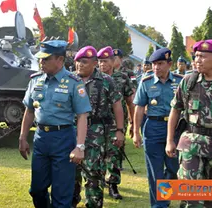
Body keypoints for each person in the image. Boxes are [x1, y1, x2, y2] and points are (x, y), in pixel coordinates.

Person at [19, 40, 92, 208]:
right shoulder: (35, 80)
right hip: (41, 139)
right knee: (36, 189)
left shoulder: (74, 82)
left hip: (63, 139)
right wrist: (23, 137)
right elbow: (29, 111)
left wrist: (79, 146)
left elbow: (82, 116)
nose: (41, 62)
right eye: (40, 59)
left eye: (46, 59)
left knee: (61, 194)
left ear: (59, 60)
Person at [72, 46, 125, 208]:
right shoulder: (70, 79)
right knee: (70, 171)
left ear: (95, 63)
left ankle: (94, 203)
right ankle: (71, 200)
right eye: (78, 61)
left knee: (94, 172)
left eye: (85, 62)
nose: (80, 65)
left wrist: (120, 130)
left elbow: (117, 105)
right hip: (71, 131)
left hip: (97, 132)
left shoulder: (106, 81)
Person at [133, 48, 183, 208]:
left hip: (176, 129)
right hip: (153, 127)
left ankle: (166, 194)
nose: (156, 67)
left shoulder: (180, 81)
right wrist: (135, 133)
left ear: (169, 64)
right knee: (155, 171)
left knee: (174, 167)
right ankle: (159, 205)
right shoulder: (146, 82)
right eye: (154, 64)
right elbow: (139, 108)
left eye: (160, 64)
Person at [166, 39, 212, 207]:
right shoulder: (188, 81)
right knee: (191, 195)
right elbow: (175, 110)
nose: (198, 60)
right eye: (196, 56)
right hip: (191, 144)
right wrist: (170, 140)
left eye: (203, 56)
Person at [97, 46, 135, 200]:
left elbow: (129, 101)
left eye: (105, 61)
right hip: (97, 123)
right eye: (100, 61)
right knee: (97, 153)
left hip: (117, 123)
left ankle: (113, 185)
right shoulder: (94, 78)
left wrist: (133, 123)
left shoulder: (122, 78)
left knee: (115, 153)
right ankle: (97, 183)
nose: (102, 65)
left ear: (113, 61)